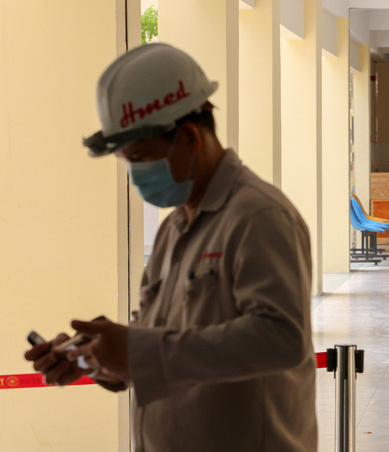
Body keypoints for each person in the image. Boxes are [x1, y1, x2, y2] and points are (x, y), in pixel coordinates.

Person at [25, 43, 317, 452]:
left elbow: (282, 338)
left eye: (141, 157)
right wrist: (95, 358)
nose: (136, 175)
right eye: (127, 161)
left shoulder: (258, 216)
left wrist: (138, 351)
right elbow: (161, 347)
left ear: (191, 137)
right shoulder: (173, 230)